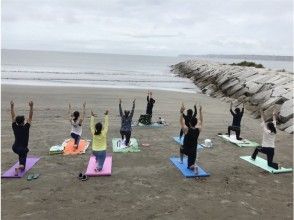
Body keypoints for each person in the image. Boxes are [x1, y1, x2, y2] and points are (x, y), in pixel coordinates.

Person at [10, 100, 33, 176]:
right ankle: (20, 167)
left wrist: (12, 106)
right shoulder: (26, 127)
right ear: (23, 122)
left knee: (21, 155)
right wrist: (31, 106)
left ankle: (20, 163)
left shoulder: (14, 126)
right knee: (23, 162)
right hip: (22, 149)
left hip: (15, 148)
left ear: (17, 122)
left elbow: (13, 116)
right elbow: (30, 117)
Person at [179, 103, 203, 173]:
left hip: (186, 149)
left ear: (189, 123)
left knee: (181, 147)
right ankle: (194, 166)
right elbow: (201, 121)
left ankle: (181, 160)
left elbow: (181, 122)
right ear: (196, 123)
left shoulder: (186, 130)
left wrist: (181, 112)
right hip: (193, 151)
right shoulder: (198, 130)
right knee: (190, 166)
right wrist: (200, 111)